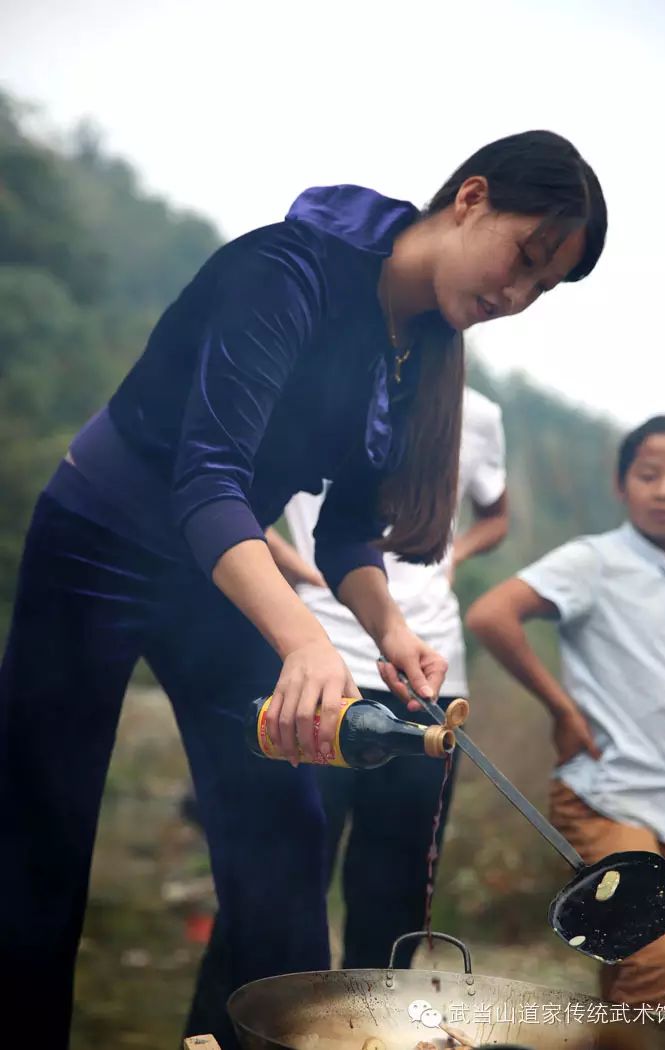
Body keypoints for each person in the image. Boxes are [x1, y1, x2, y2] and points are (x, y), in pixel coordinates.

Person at [0, 130, 606, 1049]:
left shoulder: (420, 346)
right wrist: (305, 640)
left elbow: (347, 531)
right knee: (40, 830)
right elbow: (206, 480)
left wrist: (388, 629)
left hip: (219, 571)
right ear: (472, 197)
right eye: (526, 258)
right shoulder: (287, 271)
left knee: (282, 828)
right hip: (102, 539)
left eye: (542, 288)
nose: (517, 296)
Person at [466, 415, 665, 1008]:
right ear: (622, 486)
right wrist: (561, 708)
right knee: (661, 958)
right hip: (611, 794)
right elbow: (491, 614)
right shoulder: (593, 561)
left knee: (635, 969)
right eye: (649, 475)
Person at [271, 385, 508, 969]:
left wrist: (450, 559)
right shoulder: (327, 386)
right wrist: (302, 572)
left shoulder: (478, 416)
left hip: (429, 672)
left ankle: (368, 1029)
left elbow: (496, 516)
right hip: (320, 655)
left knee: (396, 888)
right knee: (284, 876)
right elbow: (229, 494)